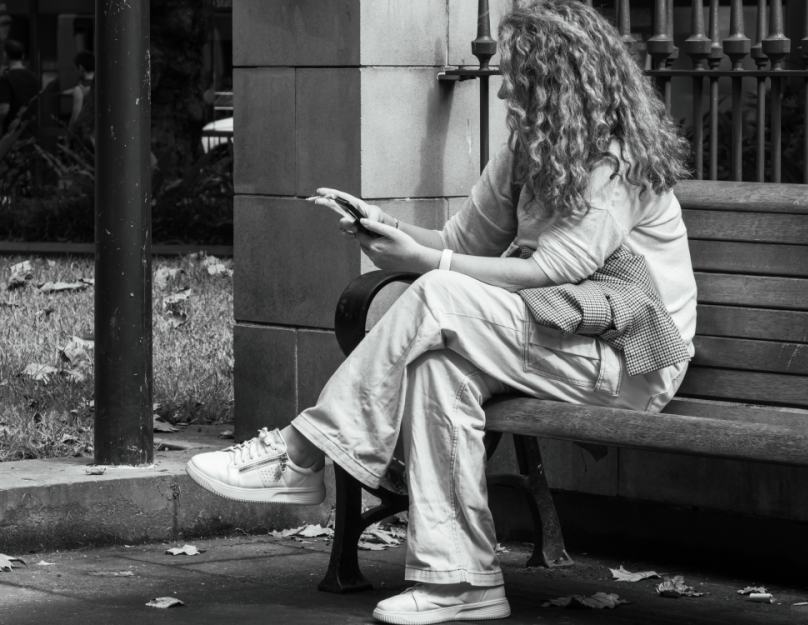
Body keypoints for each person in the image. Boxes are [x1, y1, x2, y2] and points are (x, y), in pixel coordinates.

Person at [185, 2, 696, 623]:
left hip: (628, 361)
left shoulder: (616, 163)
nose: (505, 87)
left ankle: (299, 452)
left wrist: (425, 264)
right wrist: (388, 228)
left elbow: (550, 270)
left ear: (560, 82)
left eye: (519, 77)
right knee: (437, 369)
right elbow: (461, 241)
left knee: (436, 296)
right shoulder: (530, 152)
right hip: (551, 335)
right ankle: (461, 583)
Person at [0, 39, 40, 135]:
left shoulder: (6, 79)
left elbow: (2, 110)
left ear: (5, 55)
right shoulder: (34, 78)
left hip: (13, 137)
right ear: (23, 56)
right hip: (32, 133)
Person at [68, 50, 95, 134]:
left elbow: (76, 117)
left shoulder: (80, 89)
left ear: (81, 67)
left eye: (76, 68)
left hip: (86, 134)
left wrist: (69, 134)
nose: (75, 71)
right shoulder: (103, 86)